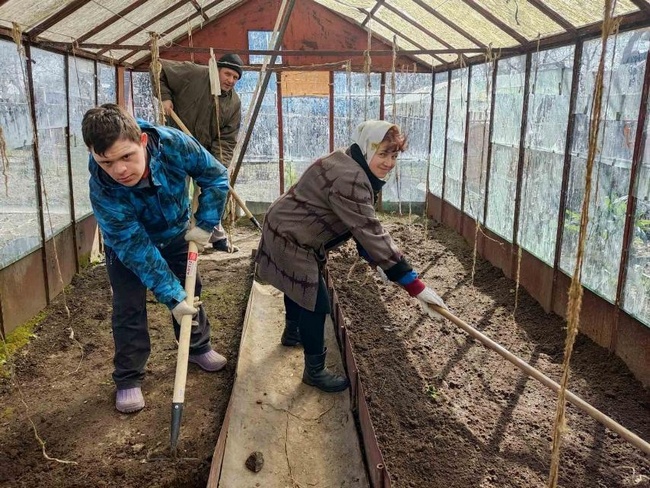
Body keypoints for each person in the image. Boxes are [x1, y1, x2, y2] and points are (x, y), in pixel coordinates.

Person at [255, 120, 448, 393]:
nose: (389, 163)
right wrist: (413, 284)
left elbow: (354, 224)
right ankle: (315, 371)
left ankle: (292, 333)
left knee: (296, 283)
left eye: (393, 155)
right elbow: (369, 229)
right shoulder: (352, 178)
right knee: (315, 301)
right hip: (292, 236)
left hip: (286, 225)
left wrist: (376, 260)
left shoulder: (347, 160)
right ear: (367, 149)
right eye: (382, 154)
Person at [82, 103, 230, 413]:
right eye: (107, 162)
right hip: (127, 245)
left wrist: (205, 224)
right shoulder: (102, 187)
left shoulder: (173, 145)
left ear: (143, 142)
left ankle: (197, 346)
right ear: (95, 156)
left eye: (127, 157)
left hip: (176, 231)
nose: (119, 170)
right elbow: (134, 245)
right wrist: (170, 295)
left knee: (192, 291)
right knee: (128, 306)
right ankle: (128, 378)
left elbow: (215, 176)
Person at [157, 53, 244, 253]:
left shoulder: (233, 103)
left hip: (204, 153)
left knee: (213, 193)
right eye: (227, 74)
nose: (230, 80)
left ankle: (215, 235)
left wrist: (217, 166)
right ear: (217, 69)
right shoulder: (193, 73)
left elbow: (228, 138)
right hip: (176, 147)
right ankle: (178, 237)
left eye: (235, 78)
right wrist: (166, 98)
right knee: (175, 192)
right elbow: (158, 68)